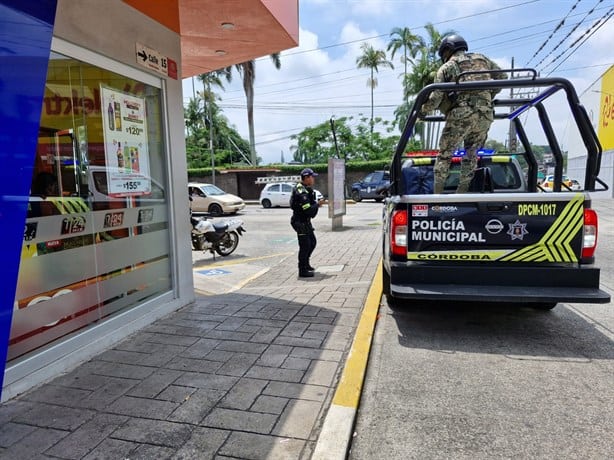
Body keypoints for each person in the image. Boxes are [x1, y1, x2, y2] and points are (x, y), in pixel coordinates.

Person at [421, 34, 507, 193]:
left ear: (447, 50)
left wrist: (422, 111)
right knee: (470, 155)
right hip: (485, 116)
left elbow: (436, 97)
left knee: (445, 156)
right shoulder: (483, 59)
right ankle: (462, 194)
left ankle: (437, 197)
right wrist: (488, 96)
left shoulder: (447, 67)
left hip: (461, 116)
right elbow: (503, 77)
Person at [290, 168, 324, 278]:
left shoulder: (306, 189)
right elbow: (309, 210)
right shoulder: (301, 192)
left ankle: (306, 264)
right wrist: (317, 205)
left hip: (305, 221)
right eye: (312, 177)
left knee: (312, 243)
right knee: (305, 246)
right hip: (300, 222)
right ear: (306, 177)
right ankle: (302, 270)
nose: (313, 179)